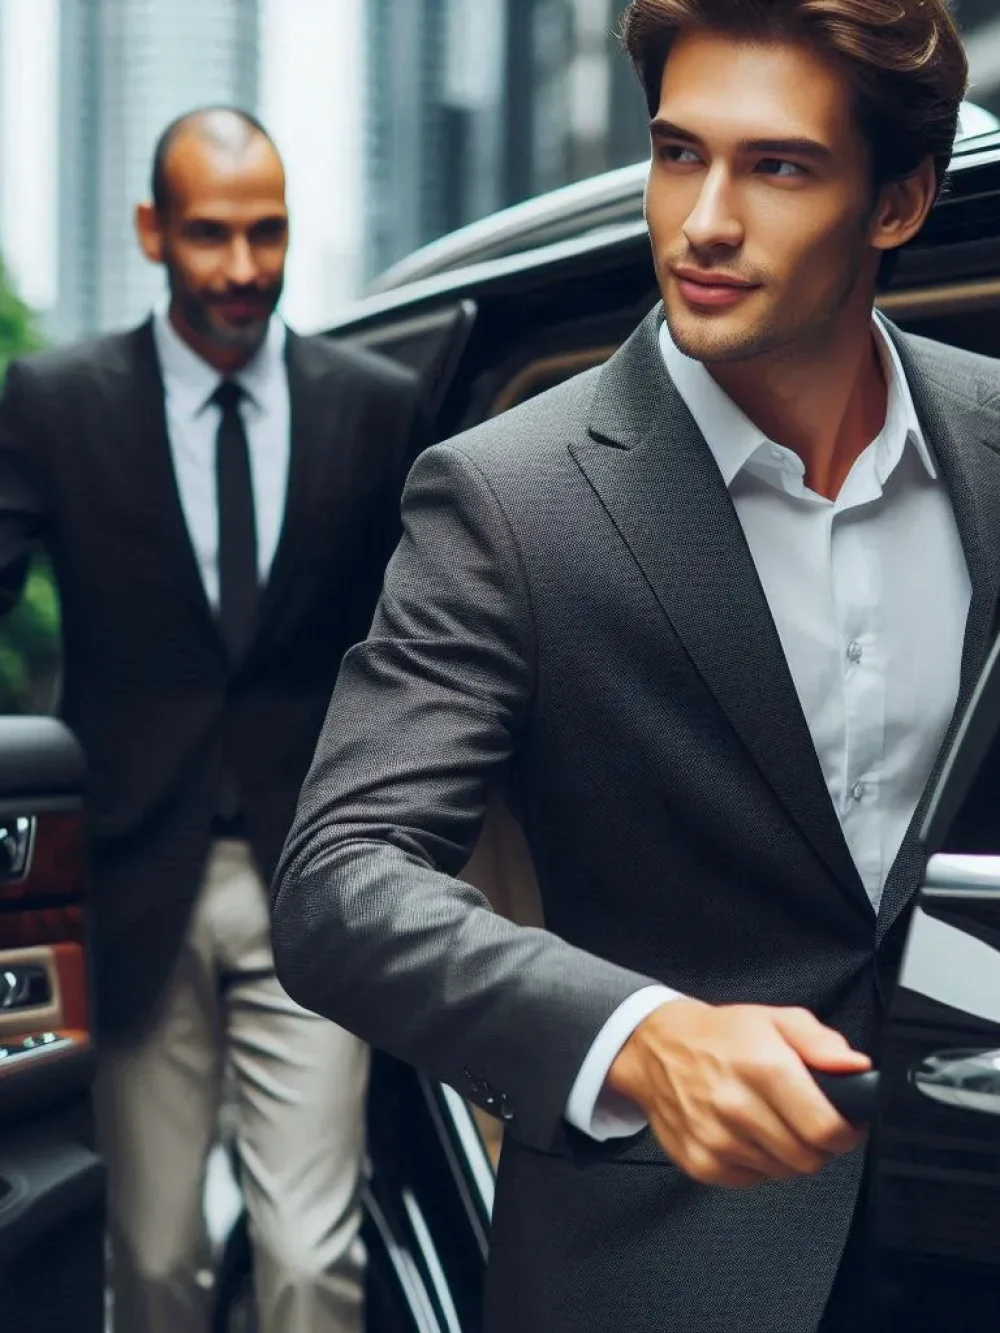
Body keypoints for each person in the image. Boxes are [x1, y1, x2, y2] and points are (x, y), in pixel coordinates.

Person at [270, 3, 995, 1331]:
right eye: (678, 154)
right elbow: (340, 882)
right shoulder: (510, 496)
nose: (702, 220)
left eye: (776, 166)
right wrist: (644, 1039)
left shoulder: (991, 438)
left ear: (898, 203)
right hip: (660, 1261)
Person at [0, 107, 426, 1333]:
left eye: (267, 232)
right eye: (210, 234)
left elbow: (421, 643)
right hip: (132, 888)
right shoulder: (53, 402)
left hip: (317, 880)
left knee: (308, 1255)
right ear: (152, 232)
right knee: (152, 1259)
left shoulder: (376, 406)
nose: (243, 267)